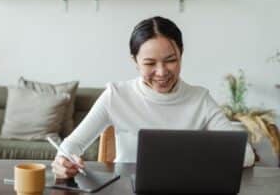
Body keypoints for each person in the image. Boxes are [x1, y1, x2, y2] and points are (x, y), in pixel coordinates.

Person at [51, 16, 255, 178]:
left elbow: (245, 154)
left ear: (181, 54)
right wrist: (63, 161)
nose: (161, 72)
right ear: (135, 61)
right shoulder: (117, 95)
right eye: (149, 63)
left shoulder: (199, 99)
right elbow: (71, 145)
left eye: (171, 60)